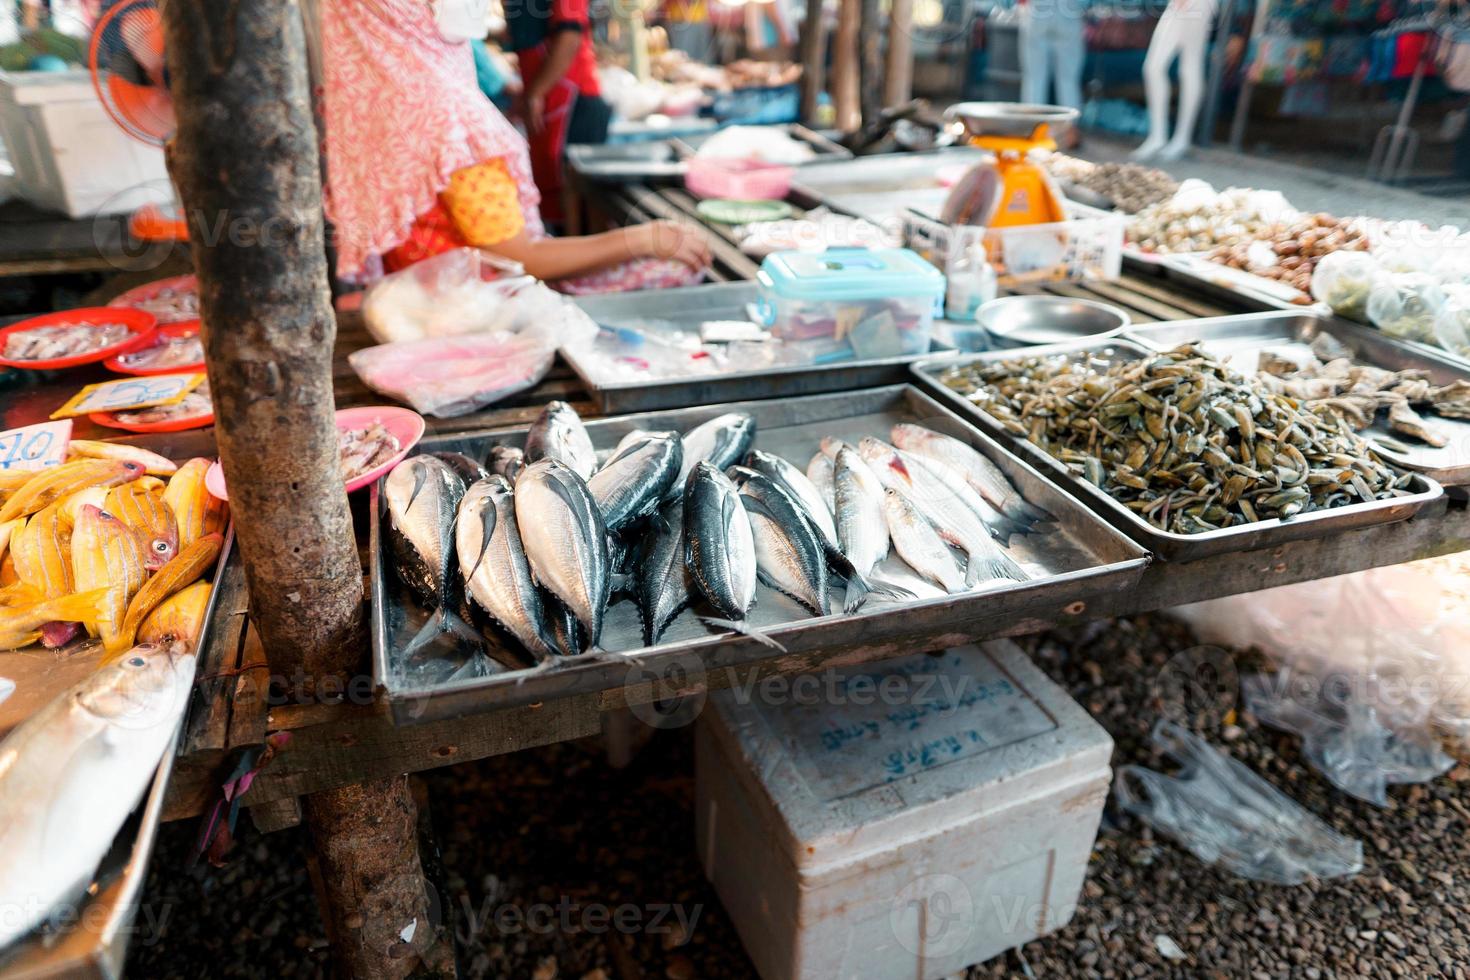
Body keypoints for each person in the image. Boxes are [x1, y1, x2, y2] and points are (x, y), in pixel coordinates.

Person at [319, 0, 709, 291]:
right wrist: (643, 238)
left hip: (415, 297)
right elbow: (520, 256)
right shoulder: (448, 119)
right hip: (475, 312)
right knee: (680, 270)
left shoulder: (366, 109)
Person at [503, 0, 612, 225]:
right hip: (548, 103)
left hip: (574, 103)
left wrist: (535, 92)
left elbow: (569, 38)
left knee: (578, 211)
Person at [1019, 0, 1086, 116]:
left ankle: (1032, 125)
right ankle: (1069, 127)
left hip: (1039, 11)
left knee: (1035, 78)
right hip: (1068, 11)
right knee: (1068, 79)